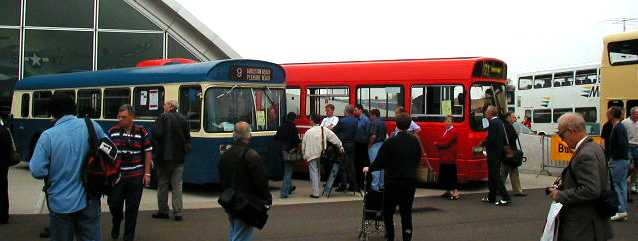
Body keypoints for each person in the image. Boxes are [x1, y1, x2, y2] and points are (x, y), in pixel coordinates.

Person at [29, 94, 108, 241]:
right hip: (89, 198)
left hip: (60, 203)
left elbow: (37, 171)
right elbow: (111, 151)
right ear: (74, 108)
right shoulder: (92, 125)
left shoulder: (48, 136)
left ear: (52, 113)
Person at [548, 113, 613, 241]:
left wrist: (559, 195)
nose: (561, 139)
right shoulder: (595, 147)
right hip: (593, 222)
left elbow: (591, 189)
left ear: (571, 131)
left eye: (561, 135)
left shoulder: (585, 154)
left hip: (582, 227)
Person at [363, 113, 422, 241]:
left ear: (396, 124)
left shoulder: (391, 142)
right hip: (409, 181)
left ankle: (391, 237)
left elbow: (380, 161)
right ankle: (407, 237)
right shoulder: (415, 142)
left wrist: (369, 168)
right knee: (406, 212)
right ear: (408, 125)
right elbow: (418, 159)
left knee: (388, 211)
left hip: (393, 182)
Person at [219, 122, 272, 241]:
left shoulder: (225, 154)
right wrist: (267, 199)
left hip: (230, 199)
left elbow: (222, 178)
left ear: (234, 134)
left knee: (235, 231)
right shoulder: (252, 156)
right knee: (241, 235)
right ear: (248, 136)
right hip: (246, 202)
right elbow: (260, 181)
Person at [107, 105, 153, 241]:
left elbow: (148, 151)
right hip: (117, 178)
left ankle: (128, 236)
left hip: (135, 177)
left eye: (123, 117)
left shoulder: (141, 131)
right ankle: (116, 222)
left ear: (132, 118)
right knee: (114, 205)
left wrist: (147, 174)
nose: (120, 120)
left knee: (132, 209)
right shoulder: (112, 131)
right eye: (119, 117)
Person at [152, 100, 191, 221]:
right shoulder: (184, 119)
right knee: (177, 185)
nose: (163, 106)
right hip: (179, 157)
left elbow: (157, 134)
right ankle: (178, 212)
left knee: (163, 183)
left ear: (170, 106)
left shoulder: (162, 117)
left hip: (164, 157)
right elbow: (188, 138)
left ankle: (163, 210)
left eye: (165, 104)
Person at [302, 115, 344, 198]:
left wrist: (304, 155)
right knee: (317, 171)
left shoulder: (308, 132)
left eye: (310, 120)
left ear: (313, 121)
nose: (309, 121)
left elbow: (303, 145)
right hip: (320, 153)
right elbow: (334, 138)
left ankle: (316, 193)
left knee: (313, 172)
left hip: (310, 154)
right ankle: (316, 190)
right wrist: (341, 147)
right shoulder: (324, 129)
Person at [602, 106, 630, 221]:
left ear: (612, 115)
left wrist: (612, 158)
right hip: (622, 160)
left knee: (617, 185)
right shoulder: (619, 126)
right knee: (621, 185)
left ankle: (621, 210)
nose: (606, 115)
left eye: (608, 113)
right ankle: (623, 210)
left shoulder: (618, 127)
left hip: (618, 160)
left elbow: (622, 145)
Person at [482, 106, 511, 206]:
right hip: (497, 152)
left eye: (486, 112)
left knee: (495, 176)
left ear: (491, 113)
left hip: (493, 153)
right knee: (492, 176)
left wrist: (482, 143)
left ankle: (505, 197)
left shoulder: (493, 123)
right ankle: (491, 196)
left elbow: (491, 139)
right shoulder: (499, 122)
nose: (485, 113)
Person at [273, 112, 301, 198]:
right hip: (290, 151)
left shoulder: (281, 127)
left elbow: (276, 138)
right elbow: (296, 141)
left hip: (281, 151)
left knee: (287, 170)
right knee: (288, 171)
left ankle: (289, 187)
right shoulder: (293, 128)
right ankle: (284, 192)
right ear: (294, 119)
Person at [332, 105, 359, 191]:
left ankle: (343, 185)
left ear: (346, 111)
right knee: (351, 165)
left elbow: (334, 131)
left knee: (342, 165)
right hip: (352, 144)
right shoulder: (356, 121)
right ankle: (353, 185)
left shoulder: (342, 121)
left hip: (343, 145)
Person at [434, 115, 461, 200]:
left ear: (452, 122)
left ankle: (455, 192)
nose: (447, 123)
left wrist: (437, 144)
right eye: (446, 121)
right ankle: (448, 191)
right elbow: (441, 139)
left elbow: (445, 142)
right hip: (445, 156)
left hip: (449, 156)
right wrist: (438, 142)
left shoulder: (453, 131)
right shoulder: (446, 130)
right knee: (445, 173)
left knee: (451, 174)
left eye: (449, 121)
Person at [501, 112, 527, 197]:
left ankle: (498, 189)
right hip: (511, 152)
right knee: (513, 172)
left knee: (503, 172)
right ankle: (517, 191)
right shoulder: (508, 126)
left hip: (505, 153)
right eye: (513, 117)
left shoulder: (502, 125)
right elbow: (513, 137)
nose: (515, 119)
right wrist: (516, 134)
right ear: (508, 118)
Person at [367, 109, 387, 191]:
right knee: (382, 166)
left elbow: (373, 136)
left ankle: (374, 186)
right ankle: (381, 185)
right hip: (382, 144)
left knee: (375, 166)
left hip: (375, 145)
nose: (370, 117)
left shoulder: (374, 122)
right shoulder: (383, 122)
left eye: (370, 115)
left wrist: (369, 145)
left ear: (374, 115)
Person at [353, 104, 371, 189]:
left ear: (361, 110)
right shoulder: (355, 119)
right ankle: (357, 183)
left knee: (363, 164)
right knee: (357, 164)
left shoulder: (366, 120)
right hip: (356, 144)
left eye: (356, 110)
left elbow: (368, 133)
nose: (354, 112)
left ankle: (363, 184)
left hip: (363, 145)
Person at [621, 106, 638, 195]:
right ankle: (624, 180)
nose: (637, 116)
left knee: (636, 167)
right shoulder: (625, 122)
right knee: (629, 166)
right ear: (631, 114)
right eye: (636, 114)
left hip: (637, 147)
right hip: (628, 146)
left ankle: (633, 185)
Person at [0, 119, 12, 224]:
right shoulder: (5, 131)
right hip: (3, 165)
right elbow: (9, 148)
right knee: (3, 189)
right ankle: (4, 215)